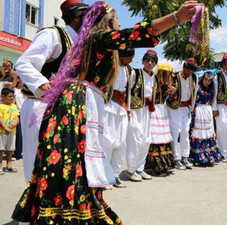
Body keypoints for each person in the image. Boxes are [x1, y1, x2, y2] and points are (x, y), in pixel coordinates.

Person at [11, 1, 201, 223]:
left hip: (80, 106)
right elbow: (138, 34)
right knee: (60, 163)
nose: (120, 25)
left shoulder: (90, 43)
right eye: (117, 21)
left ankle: (63, 212)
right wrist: (176, 17)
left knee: (71, 164)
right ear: (107, 23)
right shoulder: (96, 39)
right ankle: (50, 214)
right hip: (66, 106)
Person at [15, 0, 88, 183]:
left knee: (59, 162)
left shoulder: (79, 44)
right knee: (37, 161)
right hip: (40, 107)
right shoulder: (52, 34)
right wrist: (44, 85)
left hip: (63, 110)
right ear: (77, 19)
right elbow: (24, 63)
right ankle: (34, 205)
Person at [102, 48, 135, 189]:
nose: (131, 60)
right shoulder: (109, 66)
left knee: (121, 142)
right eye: (129, 57)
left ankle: (115, 174)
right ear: (121, 56)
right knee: (107, 141)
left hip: (122, 108)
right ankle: (103, 176)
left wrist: (128, 109)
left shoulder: (130, 71)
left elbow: (128, 91)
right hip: (107, 106)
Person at [126, 50, 159, 181]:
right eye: (147, 60)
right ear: (143, 61)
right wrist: (127, 109)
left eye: (152, 61)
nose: (149, 63)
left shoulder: (154, 77)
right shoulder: (136, 73)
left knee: (146, 139)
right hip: (135, 109)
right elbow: (128, 91)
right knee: (135, 138)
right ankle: (131, 169)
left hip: (147, 110)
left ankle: (140, 168)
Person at [167, 58, 198, 170]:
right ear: (184, 67)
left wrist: (192, 107)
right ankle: (176, 158)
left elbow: (193, 93)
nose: (190, 72)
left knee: (185, 132)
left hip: (186, 108)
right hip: (174, 108)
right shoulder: (174, 77)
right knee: (175, 133)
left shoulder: (194, 77)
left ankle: (185, 156)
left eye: (192, 70)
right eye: (188, 69)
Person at [146, 63, 176, 175]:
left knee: (163, 136)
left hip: (162, 110)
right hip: (154, 111)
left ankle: (163, 164)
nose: (167, 76)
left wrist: (171, 93)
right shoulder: (154, 82)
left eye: (168, 74)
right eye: (165, 74)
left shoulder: (168, 86)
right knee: (155, 136)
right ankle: (154, 165)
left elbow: (171, 100)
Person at [189, 70, 221, 166]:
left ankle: (209, 155)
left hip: (207, 112)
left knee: (208, 133)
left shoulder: (212, 90)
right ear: (203, 78)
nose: (207, 82)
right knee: (198, 134)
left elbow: (214, 101)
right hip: (199, 111)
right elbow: (193, 101)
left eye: (209, 81)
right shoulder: (197, 88)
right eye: (206, 79)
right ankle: (198, 157)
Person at [0, 88, 19, 175]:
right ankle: (0, 167)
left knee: (10, 149)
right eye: (9, 96)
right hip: (2, 131)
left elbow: (16, 118)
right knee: (1, 149)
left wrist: (13, 125)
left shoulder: (14, 106)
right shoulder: (1, 106)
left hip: (12, 131)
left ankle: (9, 165)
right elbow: (0, 119)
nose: (12, 98)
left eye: (13, 96)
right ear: (3, 96)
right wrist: (5, 128)